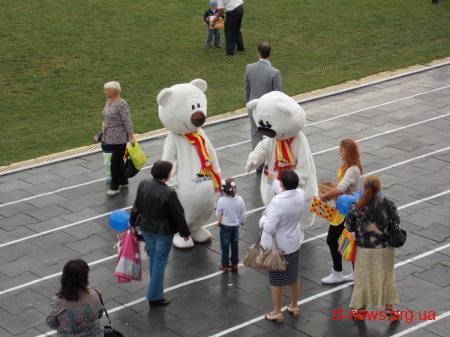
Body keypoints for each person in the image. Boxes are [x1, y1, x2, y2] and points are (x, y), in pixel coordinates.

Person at [129, 160, 191, 307]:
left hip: (146, 227)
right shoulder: (169, 193)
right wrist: (185, 233)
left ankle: (155, 290)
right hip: (163, 232)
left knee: (154, 258)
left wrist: (131, 221)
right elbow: (178, 214)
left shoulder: (144, 183)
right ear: (167, 175)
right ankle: (155, 295)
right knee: (159, 262)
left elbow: (137, 205)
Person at [346, 175, 400, 319]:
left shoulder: (356, 206)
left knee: (363, 279)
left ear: (364, 188)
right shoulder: (389, 204)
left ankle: (361, 311)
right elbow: (397, 220)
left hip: (364, 250)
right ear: (379, 188)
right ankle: (390, 310)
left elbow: (349, 226)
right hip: (385, 248)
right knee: (387, 277)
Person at [259, 169, 305, 323]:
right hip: (294, 242)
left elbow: (269, 228)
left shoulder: (276, 203)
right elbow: (285, 192)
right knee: (293, 276)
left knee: (276, 279)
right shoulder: (300, 194)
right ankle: (294, 305)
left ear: (284, 184)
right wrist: (273, 181)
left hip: (279, 247)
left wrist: (264, 217)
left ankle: (277, 311)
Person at [320, 139, 362, 284]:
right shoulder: (350, 167)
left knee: (332, 239)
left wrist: (325, 196)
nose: (339, 152)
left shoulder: (352, 170)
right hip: (347, 209)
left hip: (346, 212)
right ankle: (356, 273)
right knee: (351, 240)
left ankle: (337, 272)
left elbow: (341, 189)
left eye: (341, 150)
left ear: (348, 152)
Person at [244, 42, 283, 171]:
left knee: (256, 134)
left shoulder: (249, 68)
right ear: (269, 55)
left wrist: (249, 104)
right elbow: (278, 94)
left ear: (258, 53)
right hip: (269, 110)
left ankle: (258, 163)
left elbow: (247, 89)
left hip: (254, 107)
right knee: (273, 135)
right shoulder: (274, 73)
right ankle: (273, 161)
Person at [46, 259, 104, 337]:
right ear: (85, 276)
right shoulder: (96, 293)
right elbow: (99, 315)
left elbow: (51, 322)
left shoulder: (58, 301)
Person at [102, 81, 135, 196]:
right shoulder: (108, 102)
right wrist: (104, 133)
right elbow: (106, 118)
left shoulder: (122, 104)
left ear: (113, 91)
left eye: (107, 90)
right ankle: (124, 180)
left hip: (120, 135)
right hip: (111, 134)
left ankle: (115, 186)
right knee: (119, 160)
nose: (105, 92)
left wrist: (131, 136)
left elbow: (127, 121)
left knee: (114, 160)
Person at [216, 178, 246, 272]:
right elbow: (242, 213)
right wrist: (242, 221)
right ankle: (234, 264)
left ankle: (225, 265)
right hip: (235, 226)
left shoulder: (221, 200)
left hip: (225, 226)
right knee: (235, 245)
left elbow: (218, 214)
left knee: (225, 246)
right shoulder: (240, 199)